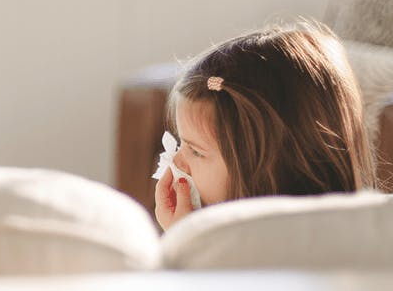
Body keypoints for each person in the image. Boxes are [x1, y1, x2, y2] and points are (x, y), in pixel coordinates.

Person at [154, 21, 377, 231]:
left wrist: (185, 240)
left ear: (269, 169)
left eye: (195, 151)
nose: (176, 161)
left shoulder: (237, 259)